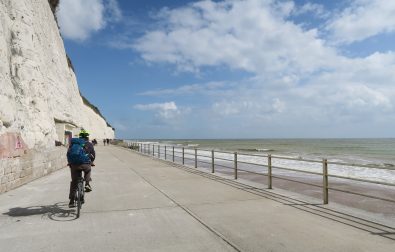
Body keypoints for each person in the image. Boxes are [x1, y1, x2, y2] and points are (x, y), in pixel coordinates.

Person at [67, 129, 95, 208]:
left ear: (80, 137)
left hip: (74, 165)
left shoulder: (74, 144)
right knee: (88, 170)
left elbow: (68, 153)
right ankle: (87, 184)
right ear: (87, 137)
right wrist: (91, 161)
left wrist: (70, 163)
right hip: (85, 164)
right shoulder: (89, 144)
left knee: (74, 182)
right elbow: (93, 155)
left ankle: (72, 201)